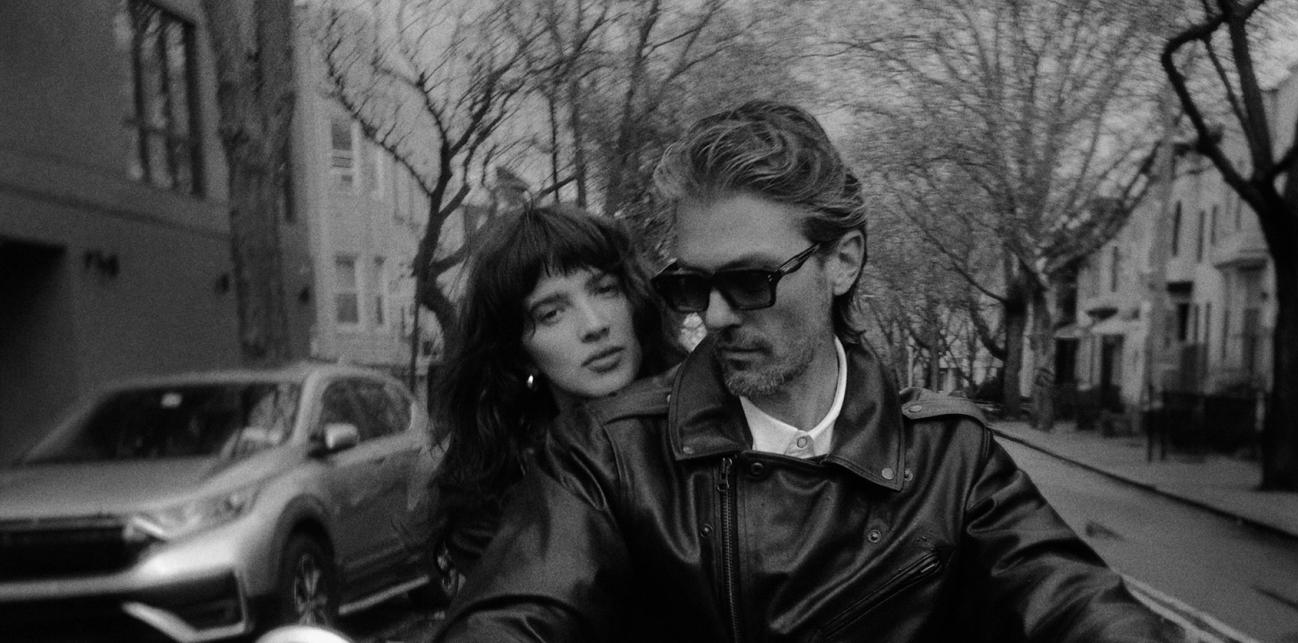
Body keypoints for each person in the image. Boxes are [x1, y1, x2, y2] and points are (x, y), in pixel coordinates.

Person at [435, 102, 1175, 640]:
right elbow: (517, 614)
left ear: (843, 261)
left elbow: (1075, 603)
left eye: (751, 280)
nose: (717, 316)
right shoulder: (607, 453)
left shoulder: (950, 455)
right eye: (695, 285)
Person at [428, 203, 685, 574]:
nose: (594, 325)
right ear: (518, 352)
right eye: (551, 313)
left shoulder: (715, 430)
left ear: (635, 298)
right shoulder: (499, 502)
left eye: (605, 289)